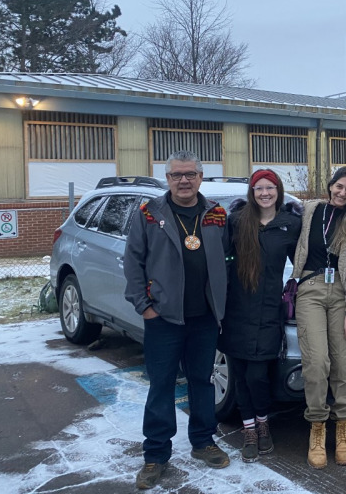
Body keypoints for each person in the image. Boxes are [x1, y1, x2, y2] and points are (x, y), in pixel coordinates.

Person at [124, 151, 230, 490]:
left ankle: (203, 441)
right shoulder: (149, 214)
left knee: (202, 381)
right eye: (176, 175)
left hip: (204, 318)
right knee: (162, 386)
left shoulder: (215, 214)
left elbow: (228, 258)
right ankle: (155, 455)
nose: (183, 180)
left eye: (190, 174)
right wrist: (145, 306)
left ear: (201, 177)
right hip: (164, 318)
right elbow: (132, 262)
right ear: (166, 179)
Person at [290, 166, 346, 469]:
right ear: (330, 186)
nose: (342, 193)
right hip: (310, 289)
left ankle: (343, 427)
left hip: (341, 293)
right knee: (316, 363)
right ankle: (316, 426)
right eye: (339, 186)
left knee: (342, 363)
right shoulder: (310, 210)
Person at [218, 169, 301, 463]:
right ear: (252, 193)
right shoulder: (238, 221)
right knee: (240, 375)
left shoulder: (290, 224)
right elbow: (222, 261)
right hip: (236, 309)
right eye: (258, 188)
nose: (264, 193)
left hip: (268, 311)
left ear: (278, 190)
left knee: (258, 376)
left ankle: (263, 421)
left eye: (270, 188)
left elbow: (302, 263)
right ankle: (250, 430)